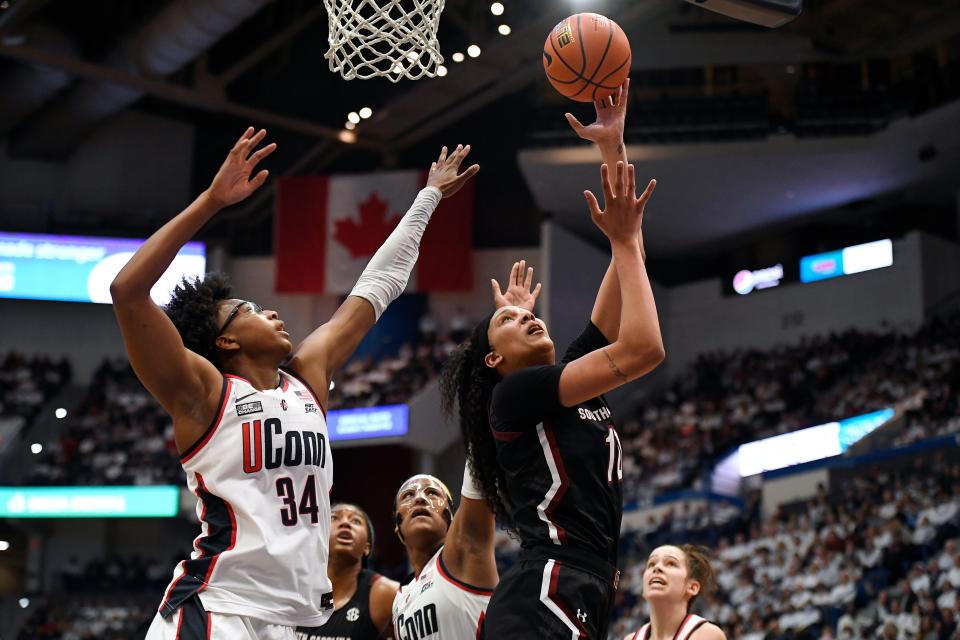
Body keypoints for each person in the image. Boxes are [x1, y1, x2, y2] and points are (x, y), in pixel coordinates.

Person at [110, 127, 479, 639]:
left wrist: (428, 198)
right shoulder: (202, 392)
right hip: (217, 608)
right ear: (226, 343)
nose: (271, 311)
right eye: (250, 310)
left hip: (292, 619)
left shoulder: (307, 378)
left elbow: (378, 284)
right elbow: (128, 292)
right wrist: (212, 201)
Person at [441, 77, 666, 638]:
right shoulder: (515, 396)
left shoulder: (566, 380)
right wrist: (624, 241)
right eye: (508, 322)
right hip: (546, 590)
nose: (526, 316)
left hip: (583, 585)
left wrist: (612, 147)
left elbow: (626, 251)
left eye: (522, 314)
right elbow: (644, 348)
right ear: (494, 363)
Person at [390, 466, 500, 640]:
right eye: (408, 495)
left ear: (451, 518)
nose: (419, 498)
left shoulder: (464, 552)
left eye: (432, 493)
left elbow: (480, 463)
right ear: (397, 526)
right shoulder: (399, 599)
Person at [296, 504, 399, 640]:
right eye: (334, 518)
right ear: (319, 538)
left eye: (355, 521)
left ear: (367, 548)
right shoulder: (293, 587)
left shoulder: (386, 594)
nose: (345, 523)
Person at [625, 545, 726, 640]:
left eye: (671, 563)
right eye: (651, 564)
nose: (657, 568)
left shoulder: (706, 635)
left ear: (692, 587)